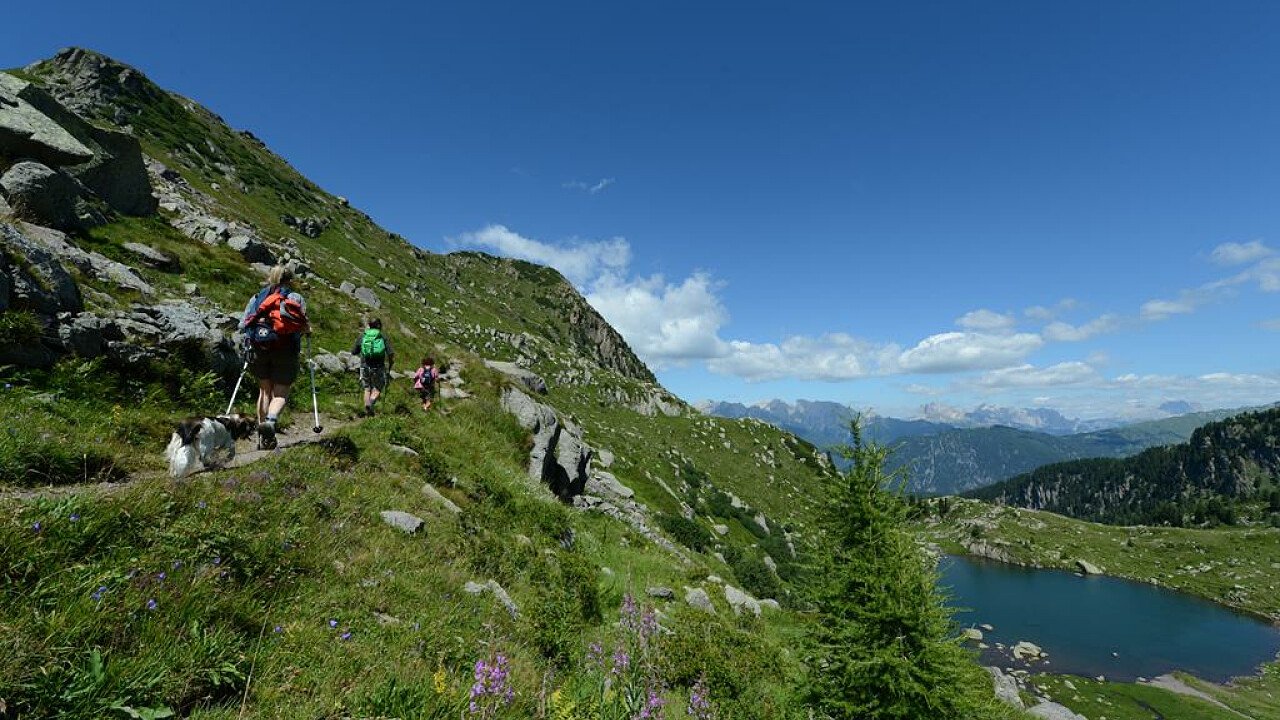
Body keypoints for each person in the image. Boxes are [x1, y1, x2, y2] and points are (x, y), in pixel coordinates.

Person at [238, 266, 309, 450]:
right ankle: (270, 422)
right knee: (281, 392)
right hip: (286, 349)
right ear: (290, 280)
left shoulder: (257, 297)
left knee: (264, 391)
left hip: (259, 347)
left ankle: (262, 439)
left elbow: (243, 323)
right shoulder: (295, 298)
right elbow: (302, 325)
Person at [352, 317, 394, 416]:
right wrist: (391, 362)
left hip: (364, 365)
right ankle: (370, 403)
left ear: (369, 325)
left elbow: (354, 351)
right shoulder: (382, 336)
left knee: (367, 388)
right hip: (378, 366)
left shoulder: (363, 335)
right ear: (379, 325)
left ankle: (367, 407)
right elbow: (390, 353)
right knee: (378, 388)